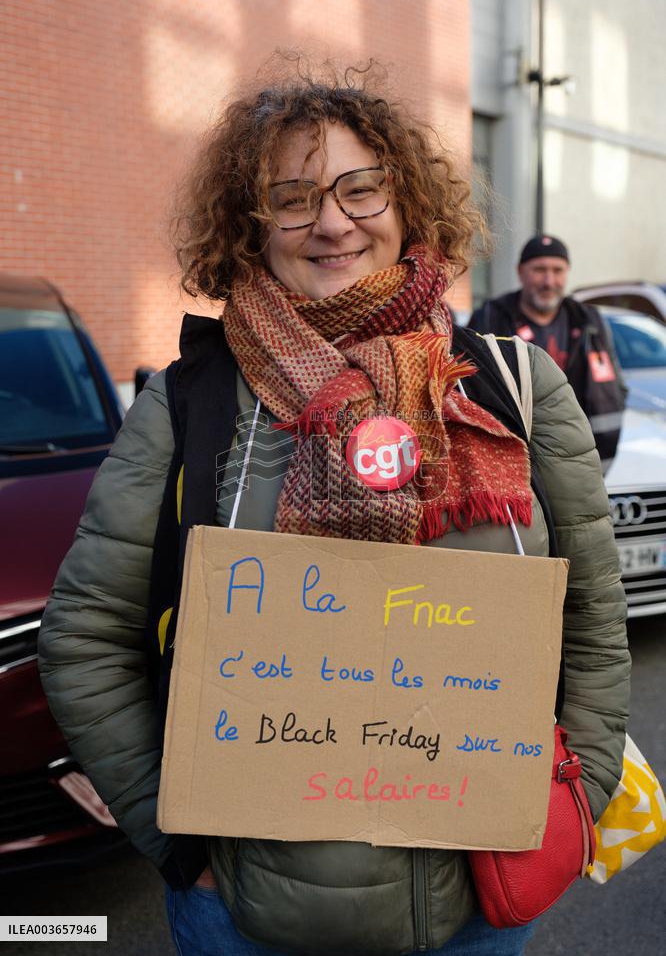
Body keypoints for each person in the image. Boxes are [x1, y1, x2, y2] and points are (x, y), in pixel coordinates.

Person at [38, 63, 630, 956]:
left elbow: (590, 615)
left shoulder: (516, 386)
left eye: (361, 188)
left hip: (477, 907)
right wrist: (176, 836)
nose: (331, 221)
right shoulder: (193, 401)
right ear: (250, 222)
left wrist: (581, 795)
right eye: (293, 196)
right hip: (247, 917)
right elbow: (85, 631)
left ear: (408, 203)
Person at [467, 234, 626, 469]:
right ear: (520, 272)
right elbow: (469, 390)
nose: (549, 281)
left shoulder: (586, 321)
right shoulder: (491, 317)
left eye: (557, 270)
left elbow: (614, 387)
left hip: (579, 456)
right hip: (515, 459)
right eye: (539, 270)